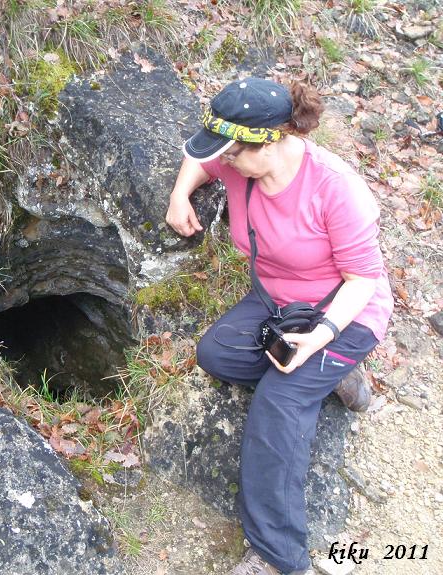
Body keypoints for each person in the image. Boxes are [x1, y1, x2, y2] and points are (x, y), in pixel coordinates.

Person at [166, 78, 393, 575]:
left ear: (268, 141)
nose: (222, 163)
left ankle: (278, 556)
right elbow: (203, 159)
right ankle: (333, 378)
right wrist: (181, 193)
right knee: (217, 353)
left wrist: (322, 337)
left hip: (345, 313)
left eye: (231, 153)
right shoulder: (238, 161)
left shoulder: (336, 188)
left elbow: (362, 279)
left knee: (280, 400)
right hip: (280, 301)